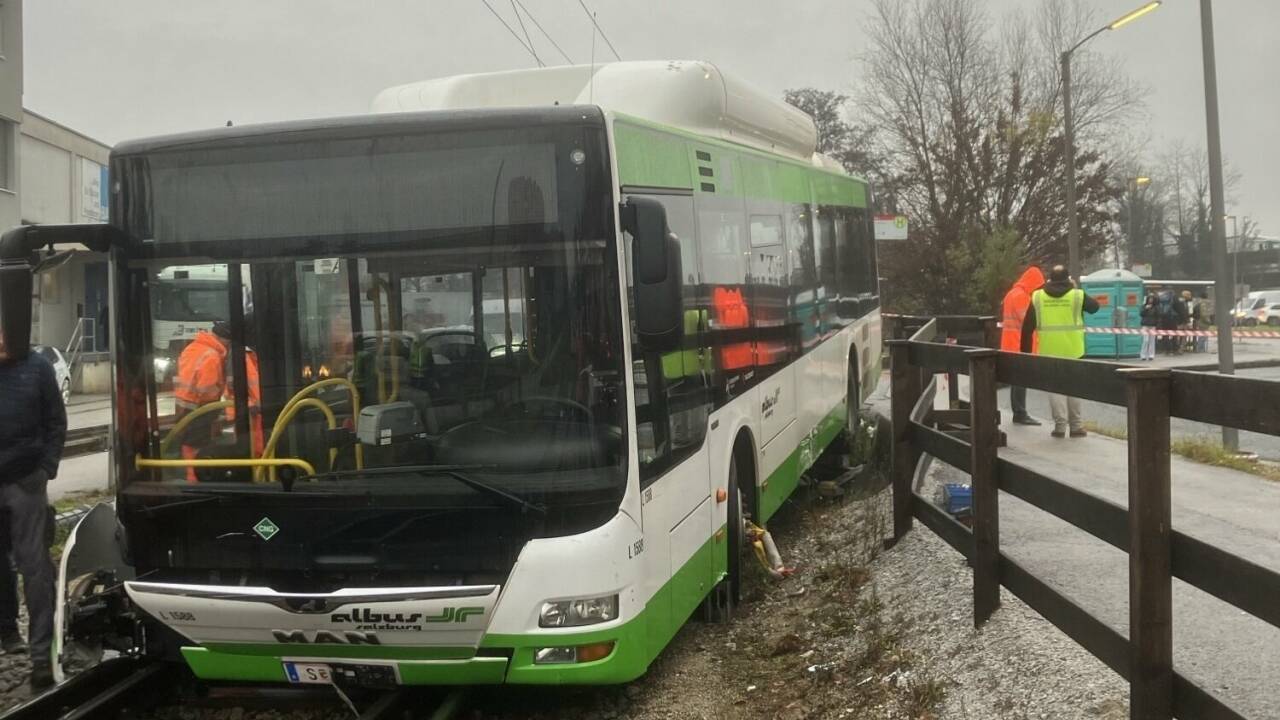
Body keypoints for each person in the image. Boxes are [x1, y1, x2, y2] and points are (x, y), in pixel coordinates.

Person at [0, 330, 66, 690]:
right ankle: (7, 632)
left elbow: (56, 422)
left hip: (26, 482)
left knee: (35, 567)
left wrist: (46, 469)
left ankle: (41, 655)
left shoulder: (37, 368)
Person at [173, 317, 263, 481]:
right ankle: (195, 479)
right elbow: (207, 389)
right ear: (225, 340)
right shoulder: (212, 356)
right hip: (200, 408)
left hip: (183, 405)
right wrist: (215, 408)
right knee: (196, 446)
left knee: (189, 443)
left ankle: (192, 476)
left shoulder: (193, 348)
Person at [1021, 265, 1100, 438]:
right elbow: (1095, 307)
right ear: (1068, 278)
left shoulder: (1038, 296)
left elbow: (1027, 328)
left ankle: (1059, 427)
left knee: (1055, 390)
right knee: (1074, 388)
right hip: (1074, 350)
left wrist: (1025, 355)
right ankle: (1076, 426)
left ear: (1049, 279)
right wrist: (1073, 287)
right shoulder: (1077, 295)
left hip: (1049, 350)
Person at [1000, 266, 1045, 425]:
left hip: (1011, 343)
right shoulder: (1021, 296)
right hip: (1019, 344)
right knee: (1020, 380)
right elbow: (1027, 320)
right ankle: (1020, 413)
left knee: (1016, 380)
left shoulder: (1011, 294)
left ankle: (1019, 412)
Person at [1139, 292, 1159, 361]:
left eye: (1152, 299)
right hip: (1145, 325)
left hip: (1152, 325)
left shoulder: (1156, 307)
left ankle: (1151, 355)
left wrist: (1157, 324)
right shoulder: (1144, 306)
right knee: (1145, 340)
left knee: (1152, 341)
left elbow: (1158, 315)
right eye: (1150, 298)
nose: (1151, 300)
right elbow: (1141, 314)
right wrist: (1146, 309)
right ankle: (1143, 355)